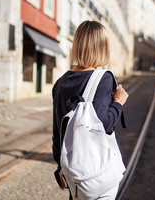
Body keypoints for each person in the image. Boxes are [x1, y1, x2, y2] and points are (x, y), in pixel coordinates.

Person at [52, 20, 129, 199]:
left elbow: (58, 129)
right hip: (97, 173)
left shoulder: (61, 82)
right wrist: (118, 102)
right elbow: (104, 124)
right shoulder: (103, 78)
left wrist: (60, 167)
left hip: (73, 172)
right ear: (103, 47)